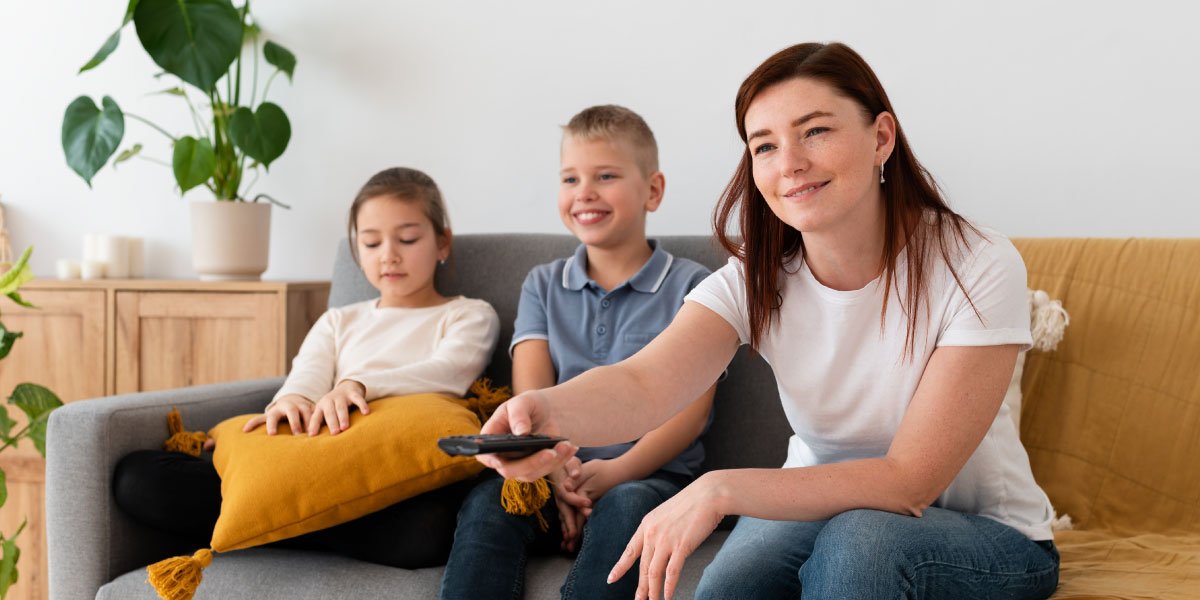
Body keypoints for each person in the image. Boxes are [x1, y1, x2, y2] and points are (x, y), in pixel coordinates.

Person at [476, 43, 1060, 600]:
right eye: (765, 146)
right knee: (735, 588)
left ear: (881, 137)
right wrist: (543, 414)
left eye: (816, 131)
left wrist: (721, 488)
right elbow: (645, 384)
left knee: (860, 543)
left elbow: (910, 482)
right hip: (815, 504)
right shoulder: (756, 276)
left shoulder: (976, 262)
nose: (791, 164)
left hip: (986, 533)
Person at [112, 167, 501, 568]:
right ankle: (295, 519)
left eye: (407, 238)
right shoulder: (339, 320)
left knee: (432, 527)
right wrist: (293, 400)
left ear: (442, 243)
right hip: (313, 462)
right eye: (370, 242)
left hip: (388, 479)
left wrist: (358, 385)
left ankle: (265, 523)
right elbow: (306, 376)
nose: (388, 254)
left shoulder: (469, 315)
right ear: (357, 251)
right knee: (136, 477)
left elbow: (448, 372)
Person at [441, 105, 716, 599]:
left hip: (647, 475)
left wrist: (614, 472)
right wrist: (555, 470)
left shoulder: (691, 285)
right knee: (488, 505)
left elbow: (690, 414)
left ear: (652, 189)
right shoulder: (543, 285)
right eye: (570, 178)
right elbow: (532, 396)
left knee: (630, 505)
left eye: (605, 176)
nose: (583, 192)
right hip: (550, 472)